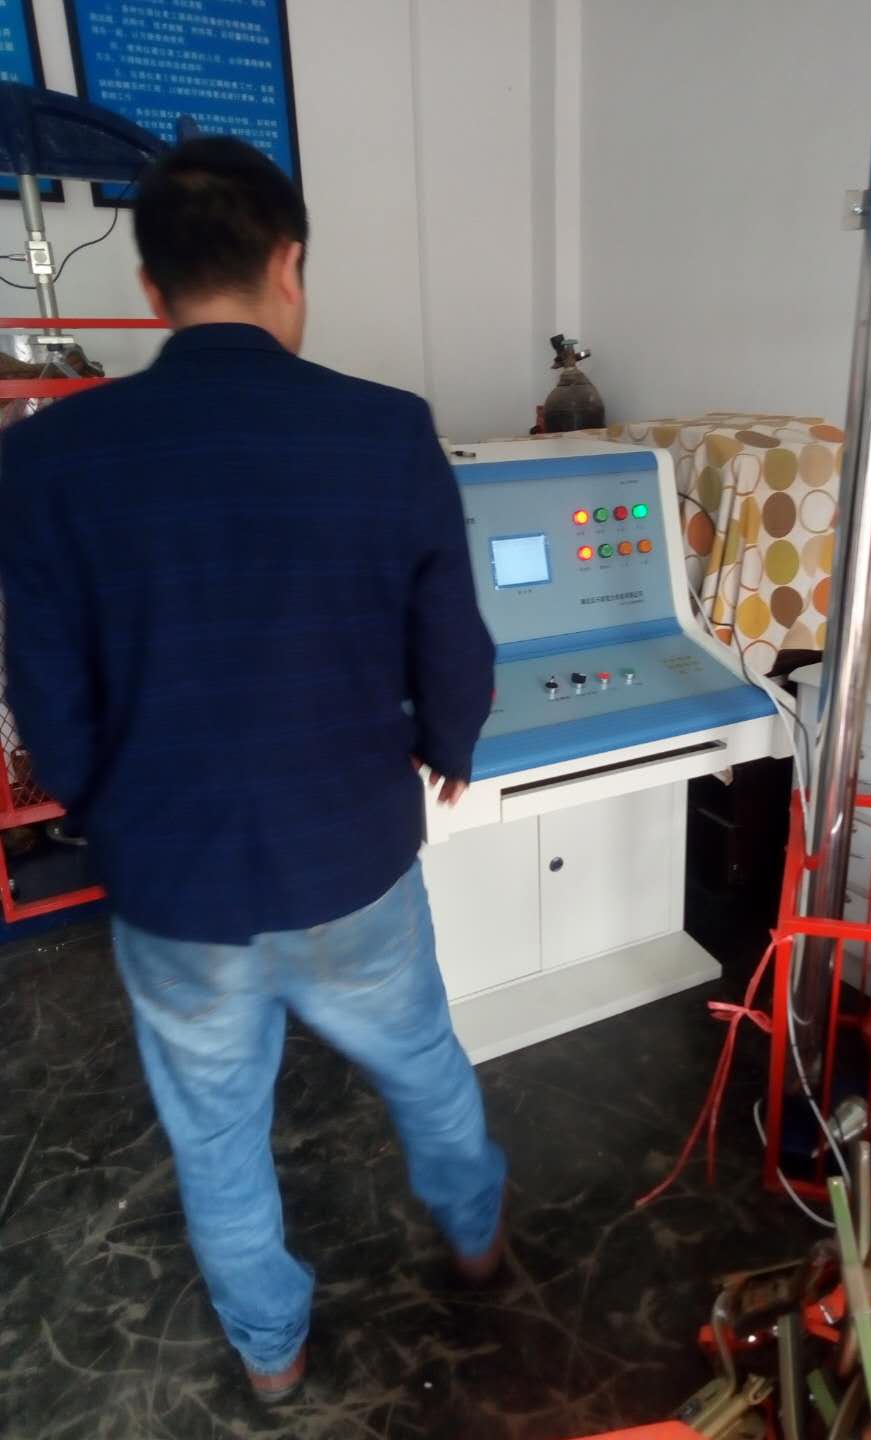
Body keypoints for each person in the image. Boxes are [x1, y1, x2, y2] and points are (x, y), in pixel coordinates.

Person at [0, 137, 506, 1404]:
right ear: (289, 264)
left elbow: (43, 689)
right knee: (424, 1063)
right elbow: (452, 639)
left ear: (153, 287)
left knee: (216, 1130)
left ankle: (272, 1357)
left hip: (175, 885)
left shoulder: (48, 458)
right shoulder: (385, 430)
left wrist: (108, 810)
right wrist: (449, 743)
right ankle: (477, 1243)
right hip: (352, 856)